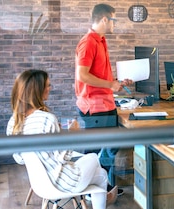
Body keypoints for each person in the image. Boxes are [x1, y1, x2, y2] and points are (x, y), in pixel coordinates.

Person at [6, 70, 115, 208]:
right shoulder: (47, 119)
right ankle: (102, 199)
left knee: (101, 173)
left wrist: (54, 137)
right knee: (94, 158)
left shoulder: (13, 122)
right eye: (47, 85)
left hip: (39, 182)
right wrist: (72, 134)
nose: (49, 89)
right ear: (37, 90)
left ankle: (102, 197)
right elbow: (63, 156)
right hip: (63, 182)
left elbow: (20, 158)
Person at [74, 3, 132, 192]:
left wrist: (117, 82)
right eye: (113, 20)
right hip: (95, 107)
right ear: (105, 19)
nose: (115, 24)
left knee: (108, 150)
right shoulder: (88, 42)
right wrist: (110, 85)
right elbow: (82, 75)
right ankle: (88, 191)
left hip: (105, 103)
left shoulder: (101, 40)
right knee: (93, 153)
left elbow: (98, 74)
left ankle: (102, 188)